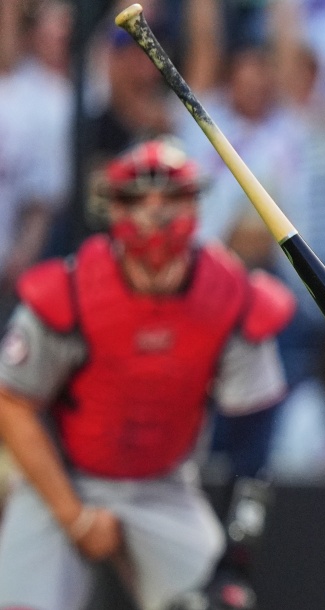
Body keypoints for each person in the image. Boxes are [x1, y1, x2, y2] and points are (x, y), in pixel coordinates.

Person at [0, 138, 295, 610]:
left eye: (171, 198)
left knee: (219, 604)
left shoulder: (231, 296)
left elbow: (254, 437)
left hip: (164, 483)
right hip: (62, 477)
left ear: (195, 204)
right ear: (114, 206)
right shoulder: (72, 290)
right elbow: (11, 400)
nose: (154, 215)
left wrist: (234, 561)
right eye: (139, 199)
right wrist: (74, 516)